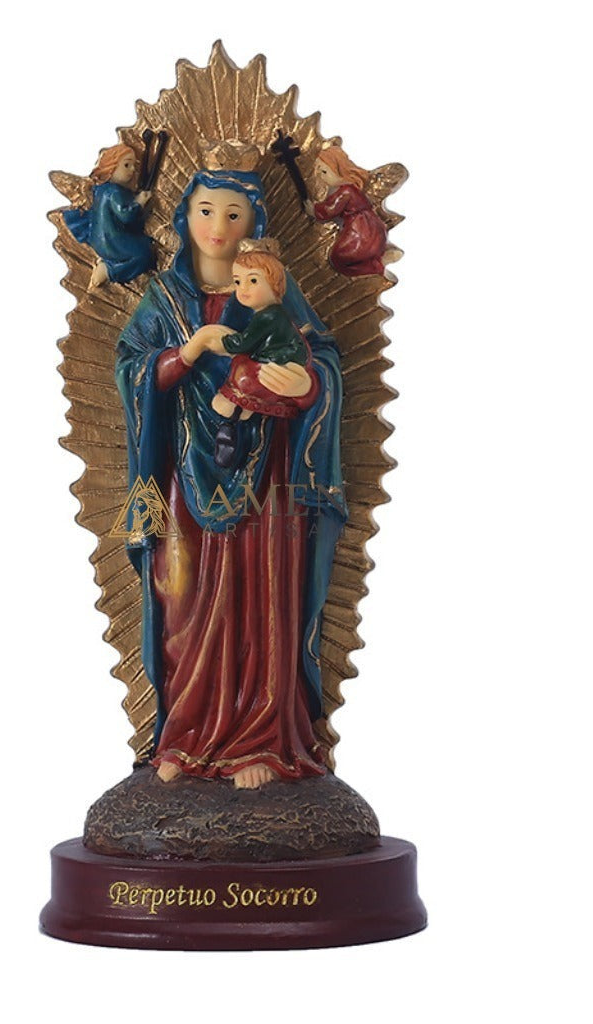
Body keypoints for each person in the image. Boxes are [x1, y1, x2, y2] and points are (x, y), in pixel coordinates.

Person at [115, 155, 348, 789]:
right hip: (184, 469)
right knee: (181, 597)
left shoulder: (275, 296)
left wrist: (307, 385)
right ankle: (183, 734)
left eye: (234, 213)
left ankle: (262, 742)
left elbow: (322, 362)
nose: (218, 227)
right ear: (183, 216)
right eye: (205, 210)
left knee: (260, 597)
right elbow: (131, 370)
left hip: (266, 475)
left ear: (255, 224)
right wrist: (188, 351)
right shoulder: (166, 301)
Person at [202, 238, 313, 469]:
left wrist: (224, 342)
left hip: (278, 362)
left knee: (242, 371)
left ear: (274, 283)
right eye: (237, 281)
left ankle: (235, 413)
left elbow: (244, 342)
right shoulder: (270, 314)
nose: (243, 289)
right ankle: (236, 416)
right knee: (243, 368)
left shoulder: (268, 315)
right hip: (274, 359)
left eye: (252, 281)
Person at [62, 144, 155, 288]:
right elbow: (126, 215)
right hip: (111, 240)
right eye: (126, 165)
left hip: (100, 239)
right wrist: (140, 202)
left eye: (134, 166)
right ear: (111, 167)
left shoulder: (101, 189)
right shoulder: (114, 192)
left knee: (143, 243)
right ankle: (110, 271)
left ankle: (109, 261)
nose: (132, 170)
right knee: (143, 255)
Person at [304, 146, 387, 277]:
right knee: (361, 252)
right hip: (374, 229)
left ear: (339, 171)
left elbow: (330, 209)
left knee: (340, 255)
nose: (321, 176)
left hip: (361, 230)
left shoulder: (346, 191)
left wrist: (314, 210)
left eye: (324, 171)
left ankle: (373, 268)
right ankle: (375, 261)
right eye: (318, 171)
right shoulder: (349, 189)